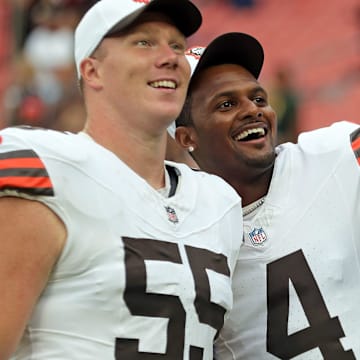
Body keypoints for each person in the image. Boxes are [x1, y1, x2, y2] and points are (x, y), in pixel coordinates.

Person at [0, 1, 245, 358]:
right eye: (143, 43)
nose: (170, 57)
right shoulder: (47, 167)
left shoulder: (218, 202)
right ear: (93, 71)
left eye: (177, 45)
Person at [175, 32, 360, 359]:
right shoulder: (182, 228)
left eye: (259, 98)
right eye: (227, 104)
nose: (252, 110)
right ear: (187, 136)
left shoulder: (333, 155)